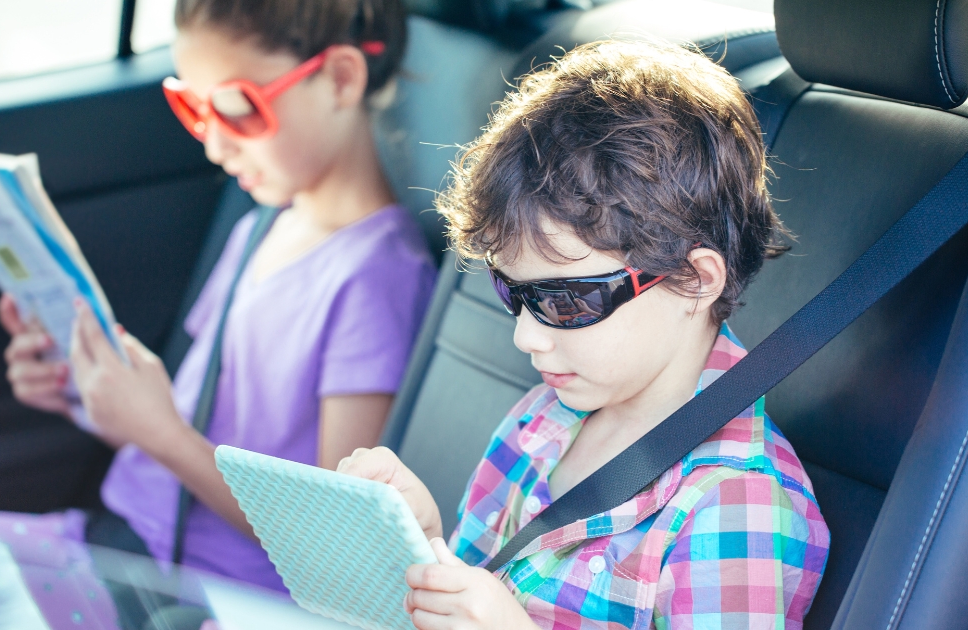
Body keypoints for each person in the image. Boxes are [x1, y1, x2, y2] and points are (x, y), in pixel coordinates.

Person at [338, 40, 830, 629]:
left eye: (564, 300)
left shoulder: (735, 506)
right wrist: (419, 550)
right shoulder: (542, 420)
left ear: (694, 281)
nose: (526, 336)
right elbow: (480, 590)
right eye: (513, 292)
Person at [0, 0, 434, 595]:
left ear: (340, 78)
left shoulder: (376, 279)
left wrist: (162, 436)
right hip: (122, 539)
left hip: (207, 590)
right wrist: (91, 395)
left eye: (236, 110)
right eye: (194, 110)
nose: (214, 147)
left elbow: (339, 536)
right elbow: (196, 420)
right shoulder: (264, 223)